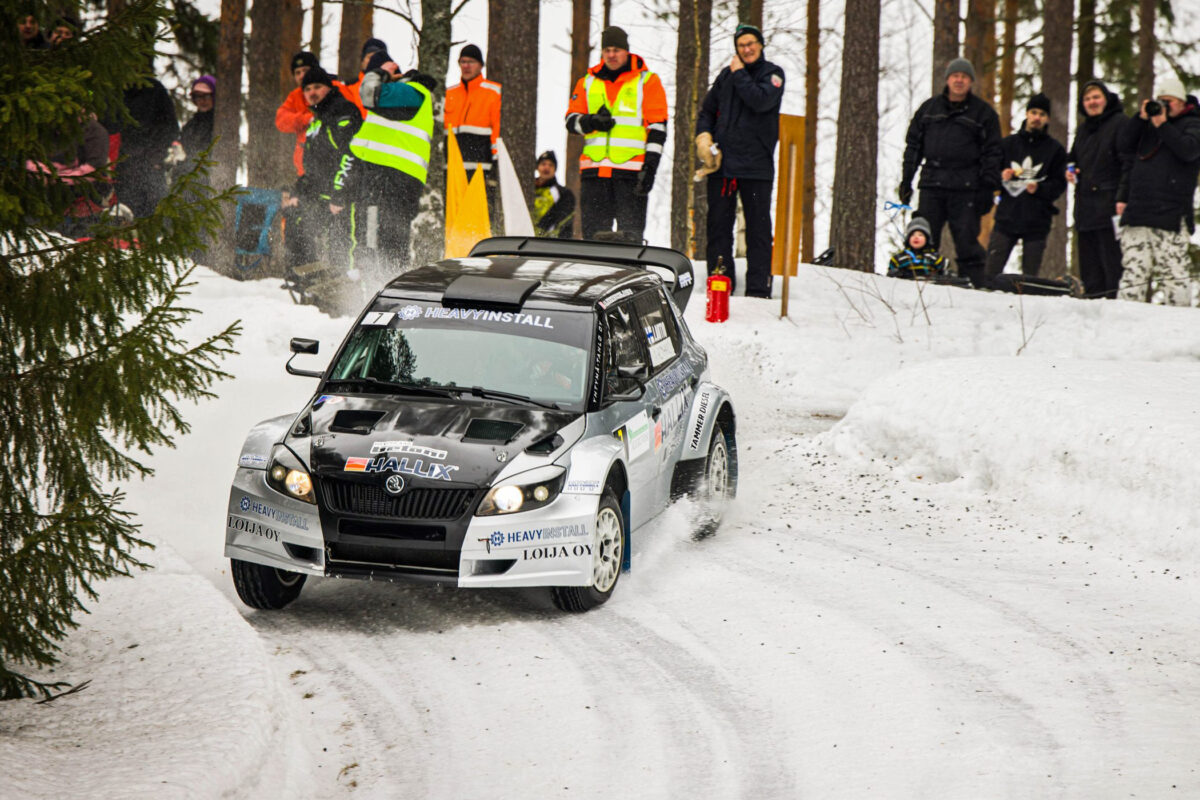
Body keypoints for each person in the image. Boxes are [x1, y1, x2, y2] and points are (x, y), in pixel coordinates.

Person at [695, 22, 785, 298]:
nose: (746, 49)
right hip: (724, 166)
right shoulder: (726, 76)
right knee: (719, 225)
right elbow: (707, 110)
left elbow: (759, 101)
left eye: (750, 44)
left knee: (758, 227)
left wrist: (739, 73)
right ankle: (719, 282)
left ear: (760, 45)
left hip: (757, 166)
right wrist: (704, 137)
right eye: (741, 45)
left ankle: (758, 288)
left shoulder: (773, 75)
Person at [900, 58, 1003, 289]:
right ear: (947, 79)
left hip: (966, 187)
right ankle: (920, 283)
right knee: (923, 237)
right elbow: (913, 147)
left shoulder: (983, 114)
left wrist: (988, 187)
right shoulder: (928, 110)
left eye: (964, 77)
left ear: (971, 82)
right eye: (955, 76)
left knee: (967, 241)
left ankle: (975, 287)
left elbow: (993, 153)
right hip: (931, 185)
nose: (959, 80)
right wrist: (907, 179)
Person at [565, 26, 668, 242]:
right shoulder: (587, 82)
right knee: (594, 239)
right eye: (607, 50)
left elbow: (658, 128)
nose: (611, 55)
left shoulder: (647, 81)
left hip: (630, 174)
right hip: (594, 173)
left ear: (627, 51)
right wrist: (590, 121)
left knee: (630, 240)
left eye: (616, 50)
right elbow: (570, 122)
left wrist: (650, 167)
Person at [1115, 76, 1200, 306]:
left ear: (1182, 102)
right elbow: (1124, 146)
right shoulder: (1147, 125)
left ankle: (1179, 328)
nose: (1163, 106)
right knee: (1133, 273)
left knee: (1174, 275)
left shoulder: (1193, 124)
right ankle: (1125, 322)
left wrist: (1163, 125)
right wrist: (1140, 119)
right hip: (1138, 212)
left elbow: (1189, 151)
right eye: (1160, 101)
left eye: (1169, 101)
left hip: (1171, 215)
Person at [351, 52, 436, 277]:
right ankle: (386, 284)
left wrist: (381, 73)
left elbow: (369, 94)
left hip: (387, 178)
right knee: (389, 241)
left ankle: (373, 289)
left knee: (374, 240)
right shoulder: (410, 99)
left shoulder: (410, 91)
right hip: (394, 178)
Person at [983, 93, 1067, 283]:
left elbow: (1059, 185)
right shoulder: (1007, 144)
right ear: (1027, 114)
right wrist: (1000, 176)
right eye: (1034, 112)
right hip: (1006, 218)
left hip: (1037, 222)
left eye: (1042, 114)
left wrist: (1039, 188)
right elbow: (989, 176)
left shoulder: (1055, 150)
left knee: (1029, 281)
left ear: (1048, 119)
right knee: (989, 274)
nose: (1037, 118)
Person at [297, 67, 363, 275]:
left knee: (345, 251)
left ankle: (350, 295)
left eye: (317, 87)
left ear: (329, 87)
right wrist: (302, 185)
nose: (312, 92)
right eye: (307, 89)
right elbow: (314, 160)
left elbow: (351, 153)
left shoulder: (343, 110)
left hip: (345, 197)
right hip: (322, 196)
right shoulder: (317, 118)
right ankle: (324, 294)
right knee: (321, 247)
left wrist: (340, 192)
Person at [1067, 80, 1127, 299]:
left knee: (1112, 264)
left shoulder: (1120, 123)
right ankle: (1091, 307)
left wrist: (1122, 197)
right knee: (1089, 266)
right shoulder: (1083, 129)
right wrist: (1070, 169)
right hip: (1084, 207)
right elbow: (1072, 158)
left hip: (1110, 205)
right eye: (1087, 98)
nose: (1092, 102)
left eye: (1096, 97)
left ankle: (1114, 309)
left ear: (1106, 99)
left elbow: (1128, 163)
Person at [111, 69, 180, 218]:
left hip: (151, 167)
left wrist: (156, 158)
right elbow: (91, 95)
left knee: (155, 215)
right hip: (122, 169)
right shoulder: (112, 90)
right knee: (124, 217)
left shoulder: (155, 90)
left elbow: (171, 127)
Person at [276, 51, 357, 178]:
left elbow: (352, 115)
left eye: (305, 70)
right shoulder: (295, 95)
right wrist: (305, 119)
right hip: (306, 167)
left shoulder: (336, 88)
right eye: (297, 73)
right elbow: (281, 121)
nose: (302, 75)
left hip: (337, 165)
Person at [531, 150, 575, 238]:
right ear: (537, 167)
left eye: (551, 165)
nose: (546, 168)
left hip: (552, 241)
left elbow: (561, 218)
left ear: (555, 169)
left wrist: (541, 229)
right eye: (543, 164)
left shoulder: (564, 194)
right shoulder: (530, 190)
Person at [178, 76, 215, 164]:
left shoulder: (220, 121)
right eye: (198, 97)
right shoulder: (190, 125)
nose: (202, 101)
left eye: (206, 96)